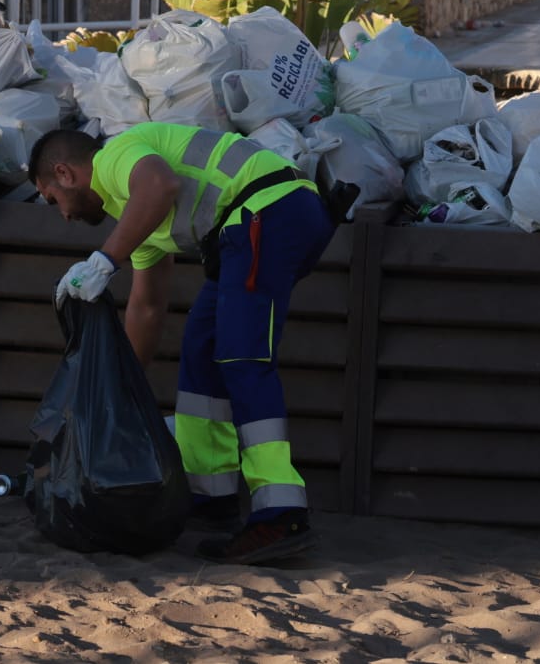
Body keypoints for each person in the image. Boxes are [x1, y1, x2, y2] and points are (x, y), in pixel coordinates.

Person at [32, 123, 335, 565]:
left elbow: (161, 183)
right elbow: (147, 308)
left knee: (242, 358)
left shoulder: (113, 159)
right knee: (201, 349)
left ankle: (280, 513)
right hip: (253, 224)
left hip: (267, 211)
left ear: (64, 173)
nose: (62, 215)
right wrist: (117, 396)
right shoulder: (135, 217)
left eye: (51, 199)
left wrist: (102, 261)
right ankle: (212, 498)